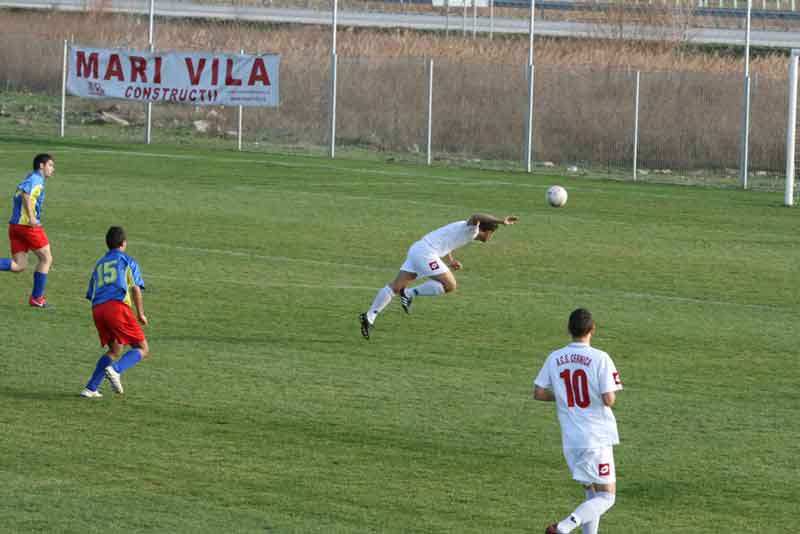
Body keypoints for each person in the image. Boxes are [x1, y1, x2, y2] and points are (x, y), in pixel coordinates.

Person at [533, 308, 623, 534]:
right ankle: (564, 527)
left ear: (568, 329)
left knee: (591, 493)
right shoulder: (601, 358)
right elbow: (609, 399)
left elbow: (539, 393)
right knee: (607, 497)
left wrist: (563, 396)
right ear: (592, 329)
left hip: (571, 440)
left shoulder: (555, 357)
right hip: (595, 438)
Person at [359, 213, 518, 339]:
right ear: (488, 231)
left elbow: (446, 241)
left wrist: (451, 260)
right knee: (450, 285)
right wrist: (501, 221)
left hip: (418, 249)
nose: (490, 238)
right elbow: (476, 215)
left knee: (395, 286)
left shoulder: (465, 230)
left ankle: (369, 316)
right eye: (491, 234)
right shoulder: (472, 229)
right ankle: (409, 294)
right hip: (426, 254)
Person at [81, 226, 149, 398]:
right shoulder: (127, 260)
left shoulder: (99, 264)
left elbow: (90, 293)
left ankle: (90, 388)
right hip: (117, 308)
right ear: (123, 243)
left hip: (97, 309)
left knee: (115, 349)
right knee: (142, 347)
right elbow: (135, 289)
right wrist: (140, 314)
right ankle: (116, 370)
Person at [0, 153, 55, 307]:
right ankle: (37, 298)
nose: (52, 169)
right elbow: (25, 194)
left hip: (15, 227)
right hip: (27, 227)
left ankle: (36, 298)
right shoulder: (35, 179)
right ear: (41, 166)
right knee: (46, 258)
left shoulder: (30, 177)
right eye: (50, 165)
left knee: (20, 265)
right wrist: (31, 217)